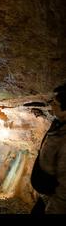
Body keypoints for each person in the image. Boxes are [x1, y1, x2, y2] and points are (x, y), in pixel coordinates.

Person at [36, 85, 66, 213]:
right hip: (46, 195)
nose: (51, 105)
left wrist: (53, 209)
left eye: (55, 103)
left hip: (53, 200)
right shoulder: (59, 124)